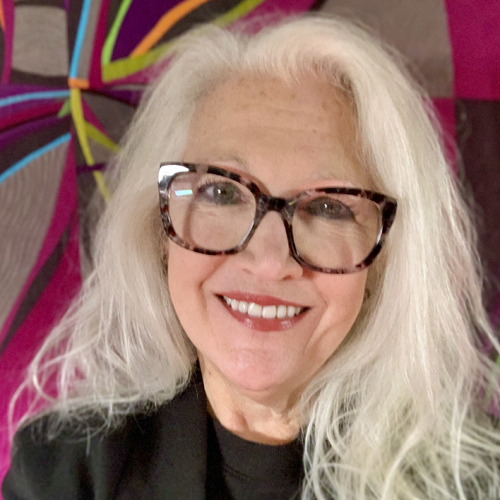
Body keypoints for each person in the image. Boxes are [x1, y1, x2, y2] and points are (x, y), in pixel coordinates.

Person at [3, 14, 500, 500]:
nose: (270, 261)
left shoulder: (480, 482)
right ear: (158, 229)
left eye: (328, 207)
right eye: (221, 193)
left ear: (385, 259)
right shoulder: (63, 473)